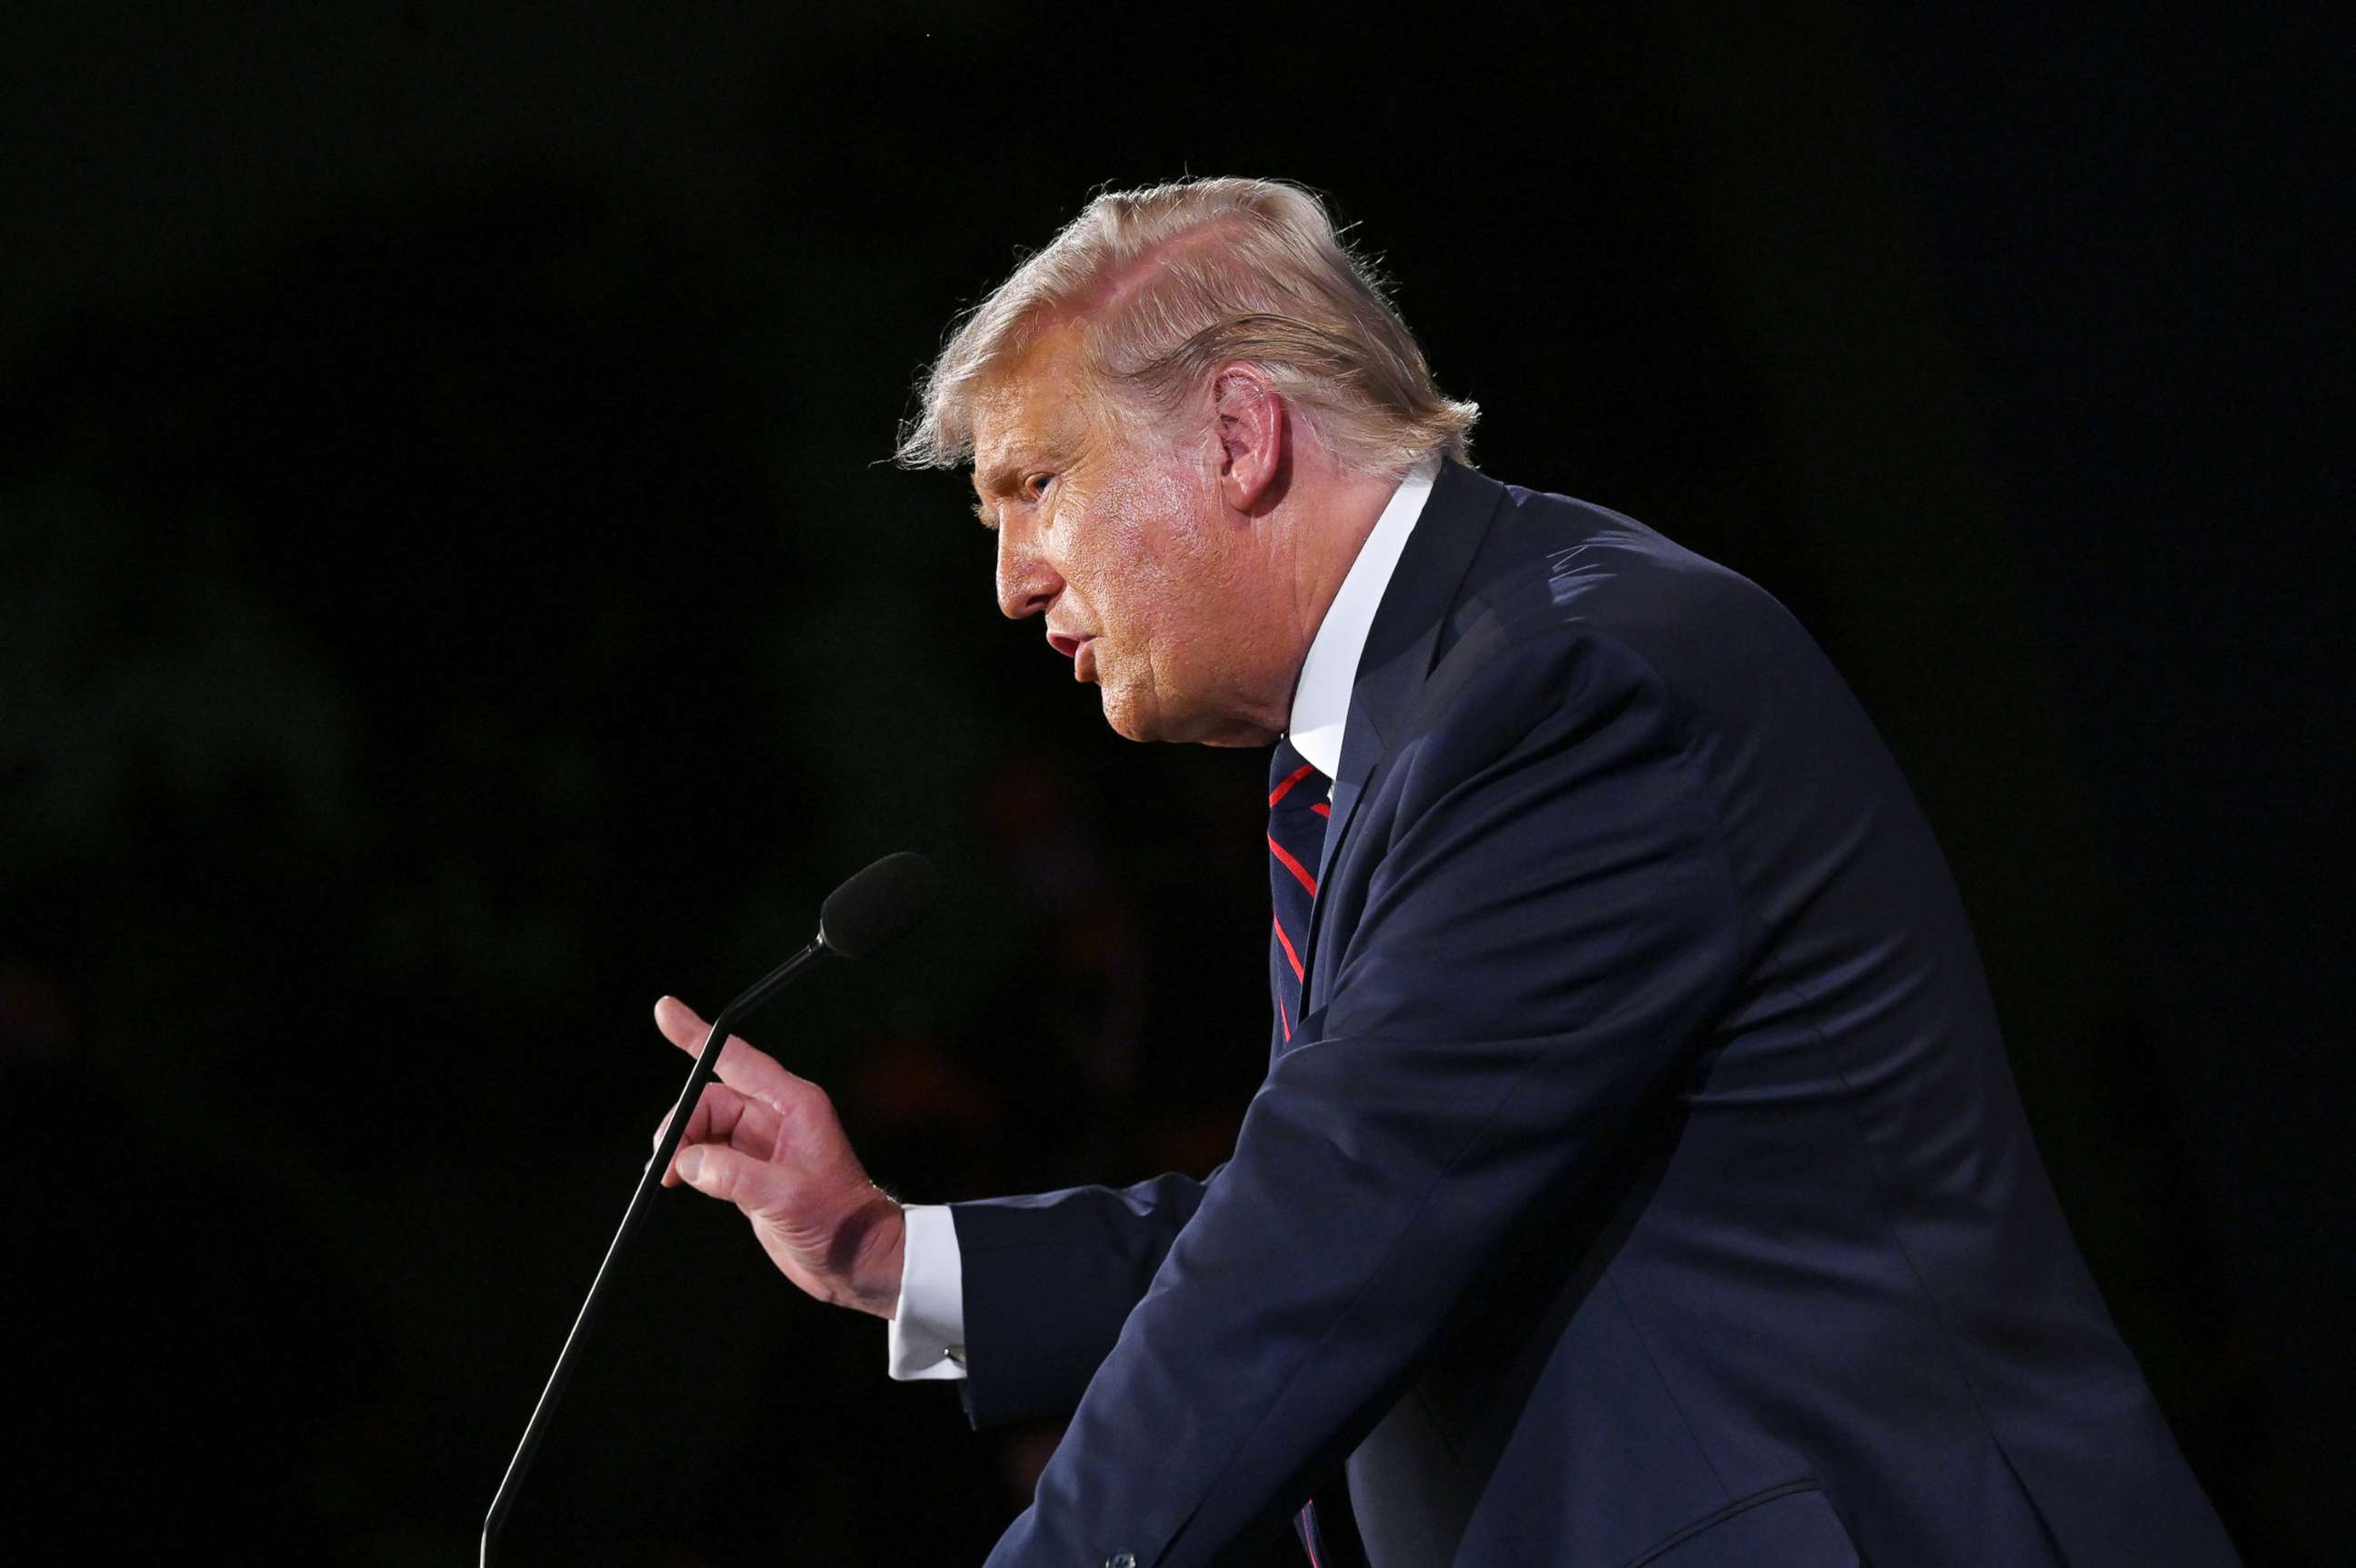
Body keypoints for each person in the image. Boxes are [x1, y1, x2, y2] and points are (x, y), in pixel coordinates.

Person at [653, 179, 2239, 1567]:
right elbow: (1327, 1193)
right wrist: (889, 1254)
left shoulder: (1570, 684)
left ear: (1239, 433)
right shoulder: (1412, 725)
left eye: (1039, 485)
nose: (1011, 582)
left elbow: (1335, 1219)